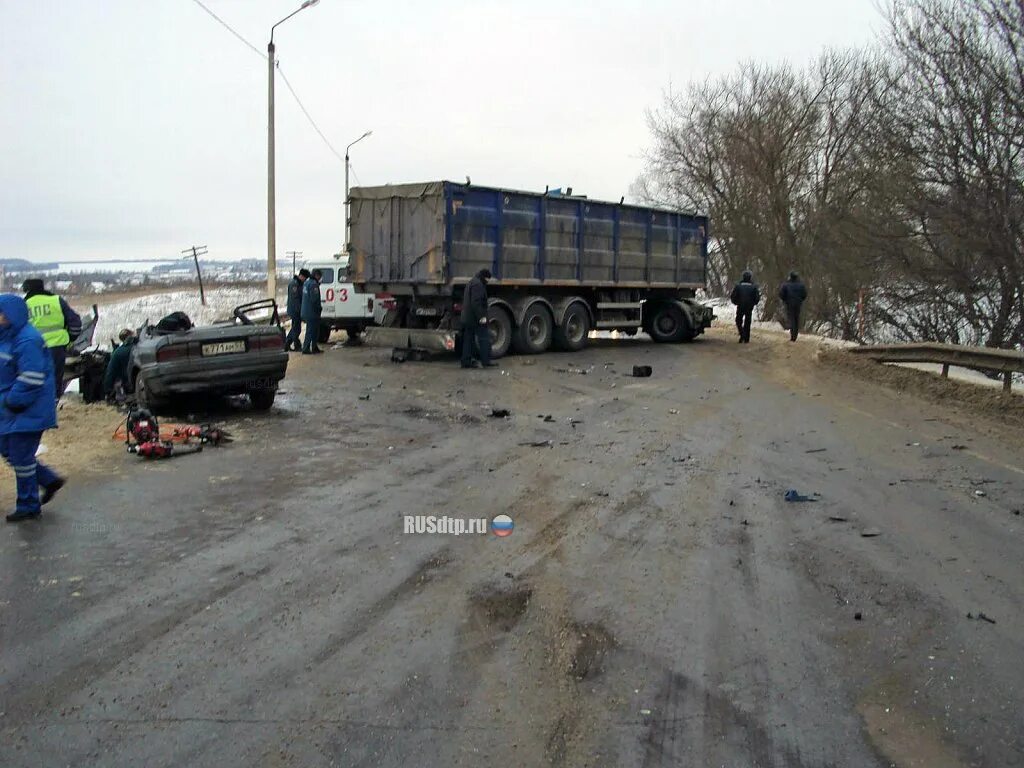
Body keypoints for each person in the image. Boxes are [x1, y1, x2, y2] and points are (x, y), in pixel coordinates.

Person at [0, 294, 64, 522]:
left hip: (27, 408)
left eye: (1, 313)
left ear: (11, 315)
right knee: (8, 450)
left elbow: (32, 377)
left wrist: (13, 401)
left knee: (21, 456)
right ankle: (47, 479)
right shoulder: (6, 337)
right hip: (12, 410)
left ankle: (28, 504)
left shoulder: (27, 340)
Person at [22, 278, 81, 401]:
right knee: (54, 379)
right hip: (57, 347)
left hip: (33, 348)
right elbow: (75, 322)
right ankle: (53, 405)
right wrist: (70, 338)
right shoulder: (56, 300)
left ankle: (36, 405)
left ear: (27, 289)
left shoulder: (24, 304)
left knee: (33, 378)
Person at [460, 269, 495, 368]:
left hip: (468, 318)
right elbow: (476, 303)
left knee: (468, 340)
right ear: (484, 277)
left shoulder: (472, 282)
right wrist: (481, 317)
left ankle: (466, 361)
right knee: (484, 338)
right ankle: (486, 361)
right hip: (475, 318)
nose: (488, 281)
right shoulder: (478, 285)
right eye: (488, 279)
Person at [103, 329, 137, 400]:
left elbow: (110, 373)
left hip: (129, 388)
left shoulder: (118, 352)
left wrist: (107, 391)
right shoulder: (142, 347)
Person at [730, 270, 760, 344]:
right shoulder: (754, 287)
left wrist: (736, 302)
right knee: (747, 322)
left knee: (738, 321)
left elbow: (733, 296)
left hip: (740, 305)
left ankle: (742, 334)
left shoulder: (738, 286)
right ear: (750, 277)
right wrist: (753, 303)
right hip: (749, 306)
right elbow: (757, 298)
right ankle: (746, 338)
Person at [284, 269, 310, 352]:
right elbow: (295, 299)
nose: (305, 280)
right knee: (296, 328)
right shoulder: (294, 284)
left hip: (297, 309)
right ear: (301, 276)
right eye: (305, 278)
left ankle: (292, 344)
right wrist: (300, 310)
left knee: (296, 328)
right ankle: (288, 343)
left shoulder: (299, 283)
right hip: (294, 310)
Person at [778, 271, 808, 342]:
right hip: (798, 303)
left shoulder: (786, 285)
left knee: (791, 318)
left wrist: (785, 300)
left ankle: (793, 335)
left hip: (789, 303)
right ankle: (795, 335)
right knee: (796, 318)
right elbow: (804, 294)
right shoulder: (801, 285)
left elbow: (781, 294)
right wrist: (800, 300)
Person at [301, 269, 323, 354]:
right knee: (311, 330)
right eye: (320, 276)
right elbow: (314, 299)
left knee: (314, 330)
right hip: (312, 312)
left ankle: (314, 347)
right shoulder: (314, 285)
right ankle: (306, 348)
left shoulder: (306, 283)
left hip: (306, 310)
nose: (320, 278)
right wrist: (319, 308)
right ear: (317, 275)